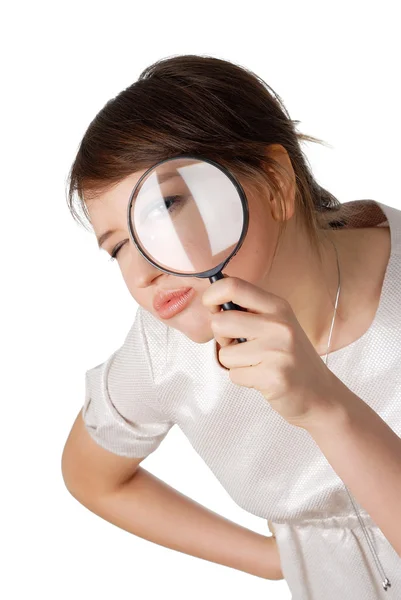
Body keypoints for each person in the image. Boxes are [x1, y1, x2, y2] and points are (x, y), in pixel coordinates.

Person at [61, 54, 401, 598]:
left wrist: (324, 407)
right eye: (118, 248)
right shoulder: (165, 352)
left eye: (164, 208)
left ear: (273, 179)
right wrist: (272, 559)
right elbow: (93, 477)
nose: (144, 270)